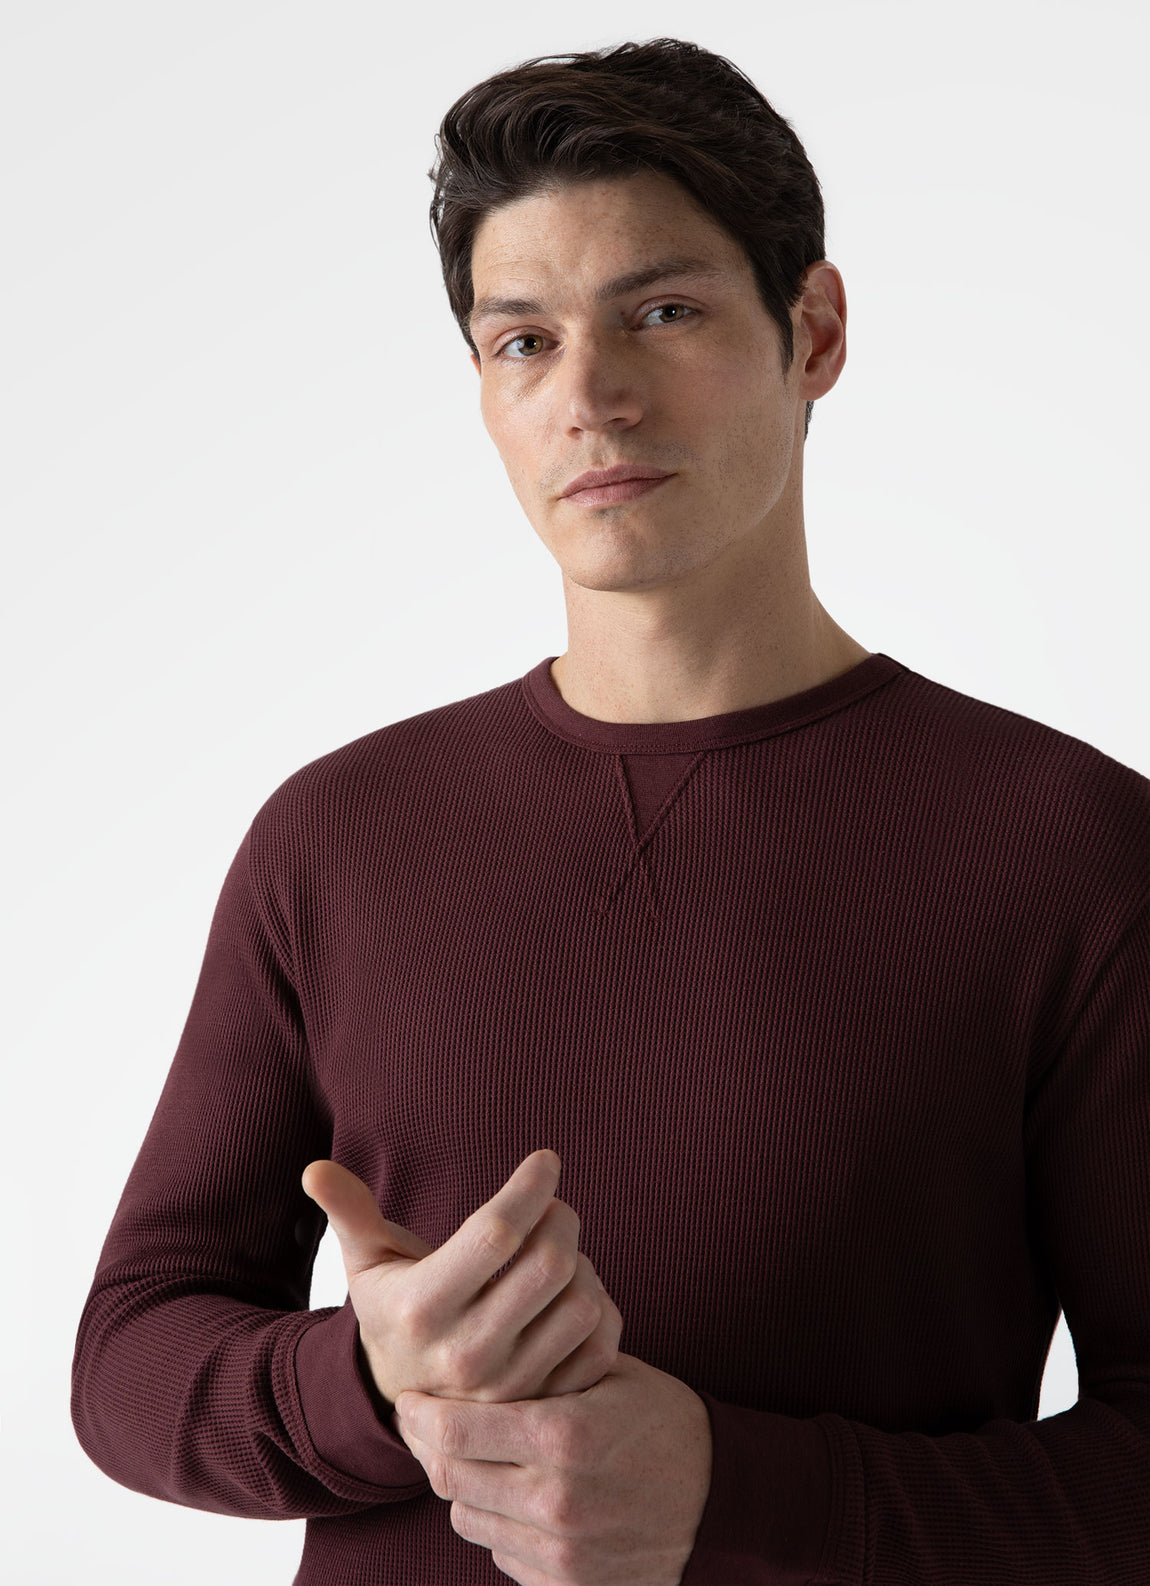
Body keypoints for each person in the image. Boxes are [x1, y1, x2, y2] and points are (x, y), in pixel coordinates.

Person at [71, 36, 1149, 1586]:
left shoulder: (1067, 848)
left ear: (812, 332)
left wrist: (742, 1492)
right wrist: (368, 1376)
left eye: (661, 312)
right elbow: (125, 1361)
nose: (591, 396)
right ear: (485, 391)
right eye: (524, 340)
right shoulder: (337, 835)